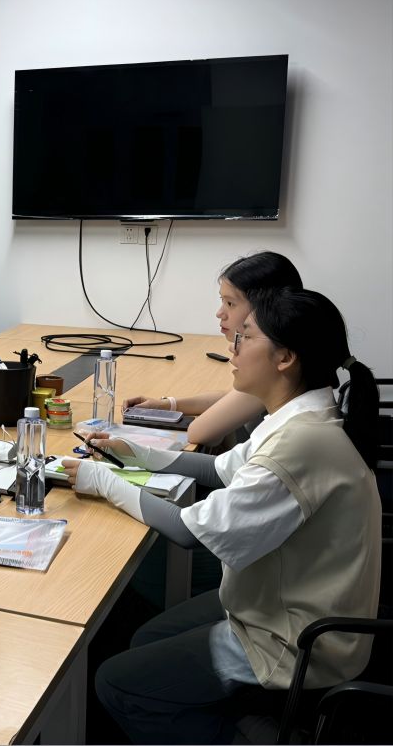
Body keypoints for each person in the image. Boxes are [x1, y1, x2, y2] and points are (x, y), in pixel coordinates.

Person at [63, 288, 382, 744]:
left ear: (285, 357)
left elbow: (187, 531)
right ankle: (232, 715)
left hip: (294, 637)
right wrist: (135, 454)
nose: (232, 349)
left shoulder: (300, 442)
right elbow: (217, 469)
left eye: (244, 337)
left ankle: (249, 734)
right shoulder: (300, 416)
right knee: (145, 639)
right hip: (278, 598)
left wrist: (104, 481)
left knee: (116, 684)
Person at [124, 251, 302, 447]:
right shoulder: (288, 354)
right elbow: (231, 397)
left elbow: (198, 432)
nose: (220, 313)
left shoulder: (272, 371)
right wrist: (167, 405)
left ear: (266, 309)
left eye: (230, 303)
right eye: (222, 301)